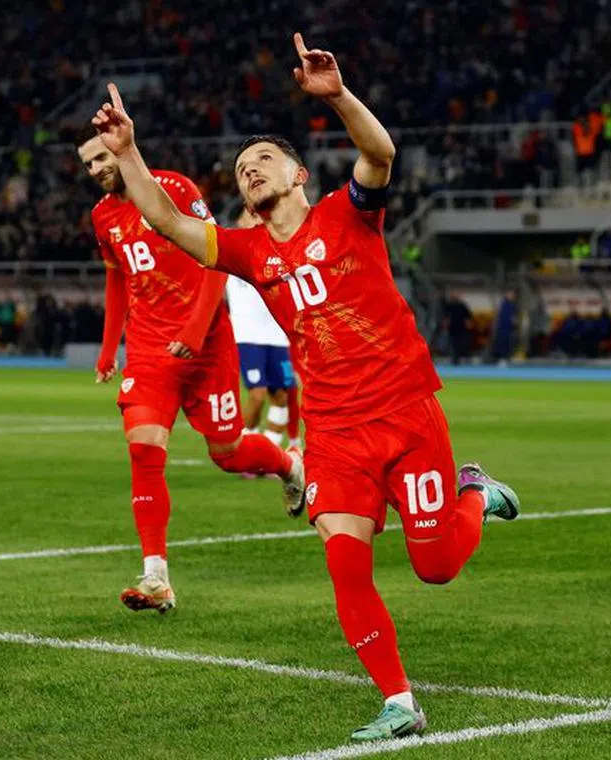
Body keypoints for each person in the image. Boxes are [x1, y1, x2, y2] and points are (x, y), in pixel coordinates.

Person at [90, 33, 519, 741]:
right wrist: (130, 152)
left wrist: (338, 96)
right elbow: (166, 220)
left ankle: (475, 489)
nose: (250, 171)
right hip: (335, 430)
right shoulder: (250, 251)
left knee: (437, 566)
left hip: (405, 411)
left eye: (263, 160)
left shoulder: (348, 215)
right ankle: (400, 703)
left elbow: (380, 155)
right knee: (345, 562)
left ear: (297, 175)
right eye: (241, 167)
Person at [74, 124, 305, 615]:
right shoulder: (102, 217)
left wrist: (198, 330)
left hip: (207, 347)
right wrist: (107, 348)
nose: (96, 170)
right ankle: (156, 575)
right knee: (143, 448)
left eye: (101, 158)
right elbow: (117, 280)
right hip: (149, 349)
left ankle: (290, 465)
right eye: (88, 165)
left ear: (120, 149)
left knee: (228, 451)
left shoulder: (174, 189)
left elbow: (212, 260)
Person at [225, 210, 302, 453]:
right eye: (250, 214)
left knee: (281, 396)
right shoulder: (230, 253)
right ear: (239, 222)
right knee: (257, 395)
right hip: (247, 337)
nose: (256, 218)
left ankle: (268, 452)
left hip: (278, 337)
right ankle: (246, 450)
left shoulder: (277, 252)